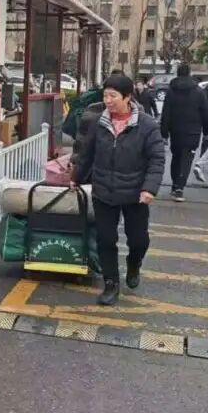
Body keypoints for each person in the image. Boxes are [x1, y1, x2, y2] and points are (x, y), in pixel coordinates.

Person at [72, 74, 165, 306]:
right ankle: (111, 284)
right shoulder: (99, 123)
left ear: (127, 97)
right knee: (106, 239)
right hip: (104, 191)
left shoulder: (146, 125)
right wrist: (76, 178)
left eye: (113, 96)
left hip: (135, 194)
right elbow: (87, 154)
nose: (108, 101)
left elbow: (157, 159)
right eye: (105, 96)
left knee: (139, 240)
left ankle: (134, 264)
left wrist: (149, 188)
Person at [160, 64, 208, 202]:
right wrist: (207, 131)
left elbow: (166, 112)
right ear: (189, 73)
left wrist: (164, 132)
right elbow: (206, 112)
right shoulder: (199, 91)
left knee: (176, 157)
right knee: (187, 158)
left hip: (175, 130)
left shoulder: (171, 91)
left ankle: (175, 184)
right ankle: (180, 187)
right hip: (193, 130)